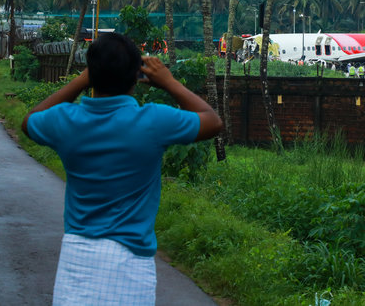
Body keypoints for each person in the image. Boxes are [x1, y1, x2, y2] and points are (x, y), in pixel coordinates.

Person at [22, 33, 223, 305]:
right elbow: (212, 121)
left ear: (91, 72)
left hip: (76, 260)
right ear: (135, 77)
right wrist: (169, 82)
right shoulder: (153, 120)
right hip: (130, 264)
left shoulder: (65, 121)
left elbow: (29, 121)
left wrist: (81, 80)